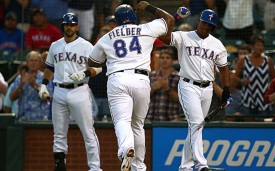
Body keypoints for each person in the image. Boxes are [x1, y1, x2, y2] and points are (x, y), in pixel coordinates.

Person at [88, 1, 176, 170]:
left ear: (118, 19)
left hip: (118, 79)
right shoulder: (146, 29)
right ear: (134, 17)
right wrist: (150, 7)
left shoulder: (108, 36)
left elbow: (92, 61)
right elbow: (170, 19)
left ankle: (125, 149)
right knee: (138, 125)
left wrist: (108, 54)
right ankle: (139, 166)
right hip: (142, 80)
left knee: (122, 120)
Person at [159, 9, 231, 171]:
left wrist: (226, 89)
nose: (206, 26)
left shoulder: (217, 44)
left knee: (196, 127)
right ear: (199, 20)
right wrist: (175, 19)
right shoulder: (184, 36)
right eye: (204, 22)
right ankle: (201, 165)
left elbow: (224, 68)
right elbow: (164, 37)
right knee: (196, 123)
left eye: (210, 25)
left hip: (208, 89)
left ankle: (185, 167)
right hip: (188, 85)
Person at [38, 13, 103, 171]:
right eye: (67, 24)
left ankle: (95, 168)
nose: (69, 27)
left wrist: (85, 74)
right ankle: (60, 166)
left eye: (72, 24)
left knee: (88, 132)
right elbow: (50, 67)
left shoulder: (86, 45)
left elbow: (99, 67)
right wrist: (44, 84)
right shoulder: (55, 45)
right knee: (59, 133)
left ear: (77, 27)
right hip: (59, 90)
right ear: (63, 26)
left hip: (79, 90)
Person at [235, 35, 275, 119]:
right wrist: (242, 81)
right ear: (252, 46)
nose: (261, 47)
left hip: (264, 99)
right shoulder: (244, 60)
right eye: (258, 45)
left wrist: (272, 94)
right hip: (248, 98)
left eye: (262, 45)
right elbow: (235, 77)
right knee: (248, 126)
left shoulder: (268, 61)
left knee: (263, 128)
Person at [9, 51, 51, 120]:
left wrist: (34, 85)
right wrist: (21, 84)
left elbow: (48, 98)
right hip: (23, 119)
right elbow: (11, 98)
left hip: (40, 119)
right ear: (27, 63)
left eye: (36, 61)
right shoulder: (20, 78)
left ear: (40, 63)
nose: (33, 63)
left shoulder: (45, 77)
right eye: (31, 60)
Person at [147, 46, 181, 121]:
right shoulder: (151, 76)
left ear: (172, 60)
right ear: (159, 60)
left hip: (172, 118)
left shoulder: (178, 77)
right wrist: (152, 89)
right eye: (162, 58)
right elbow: (143, 99)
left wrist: (167, 89)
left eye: (167, 58)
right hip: (152, 118)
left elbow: (181, 100)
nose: (164, 60)